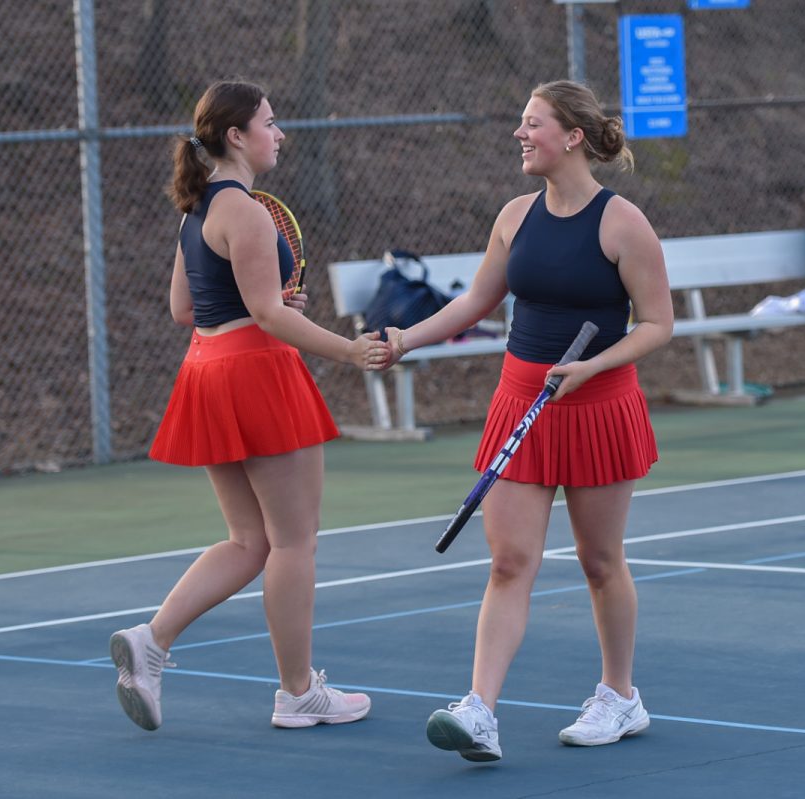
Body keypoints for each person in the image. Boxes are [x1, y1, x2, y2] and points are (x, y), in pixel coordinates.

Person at [378, 80, 674, 762]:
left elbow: (658, 324)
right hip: (521, 401)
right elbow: (476, 303)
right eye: (520, 121)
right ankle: (479, 710)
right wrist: (405, 338)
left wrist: (592, 368)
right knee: (510, 561)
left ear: (571, 136)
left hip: (598, 404)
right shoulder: (515, 216)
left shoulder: (621, 222)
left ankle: (619, 696)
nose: (520, 133)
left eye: (532, 122)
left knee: (601, 562)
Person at [109, 80, 389, 733]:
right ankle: (298, 693)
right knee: (295, 540)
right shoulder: (247, 211)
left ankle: (151, 641)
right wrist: (349, 350)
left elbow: (186, 309)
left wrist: (264, 308)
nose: (279, 132)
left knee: (249, 539)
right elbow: (265, 312)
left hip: (207, 368)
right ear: (237, 136)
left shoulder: (197, 209)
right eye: (269, 121)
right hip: (255, 372)